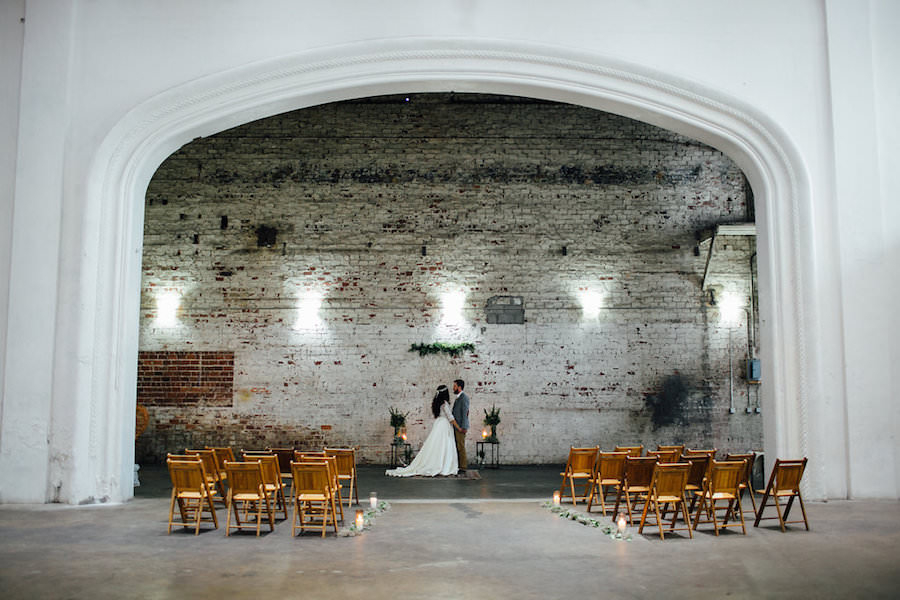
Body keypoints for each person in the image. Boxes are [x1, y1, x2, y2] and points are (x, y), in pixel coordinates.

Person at [386, 385, 458, 477]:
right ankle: (444, 465)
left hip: (438, 423)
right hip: (444, 425)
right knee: (445, 445)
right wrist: (458, 427)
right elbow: (450, 417)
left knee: (437, 445)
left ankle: (437, 463)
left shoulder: (437, 403)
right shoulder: (445, 403)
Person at [450, 379, 470, 474]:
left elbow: (465, 413)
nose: (453, 388)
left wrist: (464, 427)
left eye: (454, 386)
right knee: (457, 446)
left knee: (461, 446)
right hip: (456, 426)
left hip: (460, 427)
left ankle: (463, 467)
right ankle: (458, 465)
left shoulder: (464, 397)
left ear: (459, 387)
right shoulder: (458, 397)